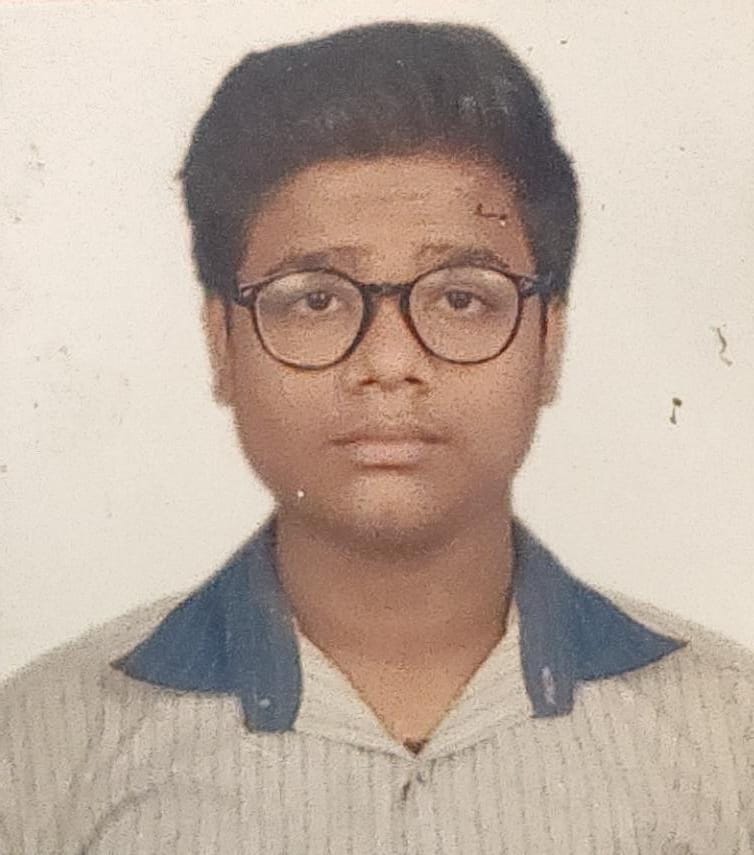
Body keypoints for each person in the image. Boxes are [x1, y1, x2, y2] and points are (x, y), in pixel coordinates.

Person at [1, 20, 752, 855]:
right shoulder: (41, 749)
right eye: (315, 299)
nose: (389, 364)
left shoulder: (729, 736)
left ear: (550, 343)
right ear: (222, 344)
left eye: (461, 297)